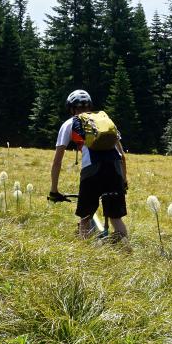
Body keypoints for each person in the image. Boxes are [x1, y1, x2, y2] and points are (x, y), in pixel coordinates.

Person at [49, 89, 130, 241]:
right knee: (116, 218)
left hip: (92, 170)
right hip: (114, 169)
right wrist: (123, 181)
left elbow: (57, 161)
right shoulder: (105, 121)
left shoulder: (70, 123)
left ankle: (84, 254)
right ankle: (126, 251)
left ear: (71, 108)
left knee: (85, 217)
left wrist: (54, 190)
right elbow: (122, 156)